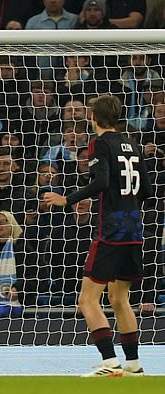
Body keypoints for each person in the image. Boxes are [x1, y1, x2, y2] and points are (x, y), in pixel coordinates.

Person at [44, 94, 153, 377]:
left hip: (110, 232)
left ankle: (110, 362)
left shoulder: (99, 143)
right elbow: (148, 190)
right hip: (134, 230)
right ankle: (133, 364)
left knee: (88, 300)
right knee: (119, 299)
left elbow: (102, 182)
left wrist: (66, 199)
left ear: (93, 117)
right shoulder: (133, 145)